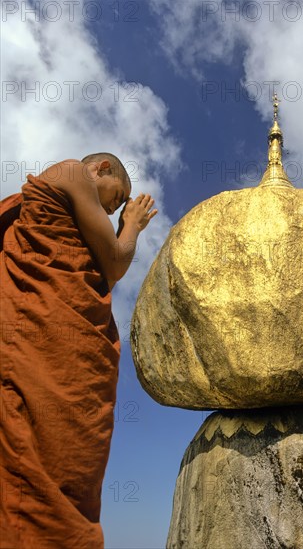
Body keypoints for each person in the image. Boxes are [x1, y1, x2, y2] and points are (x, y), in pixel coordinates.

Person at [0, 154, 157, 548]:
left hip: (58, 340)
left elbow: (86, 279)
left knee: (67, 462)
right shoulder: (72, 172)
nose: (111, 210)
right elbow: (116, 264)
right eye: (114, 199)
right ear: (101, 168)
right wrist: (131, 227)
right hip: (32, 332)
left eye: (118, 208)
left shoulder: (68, 219)